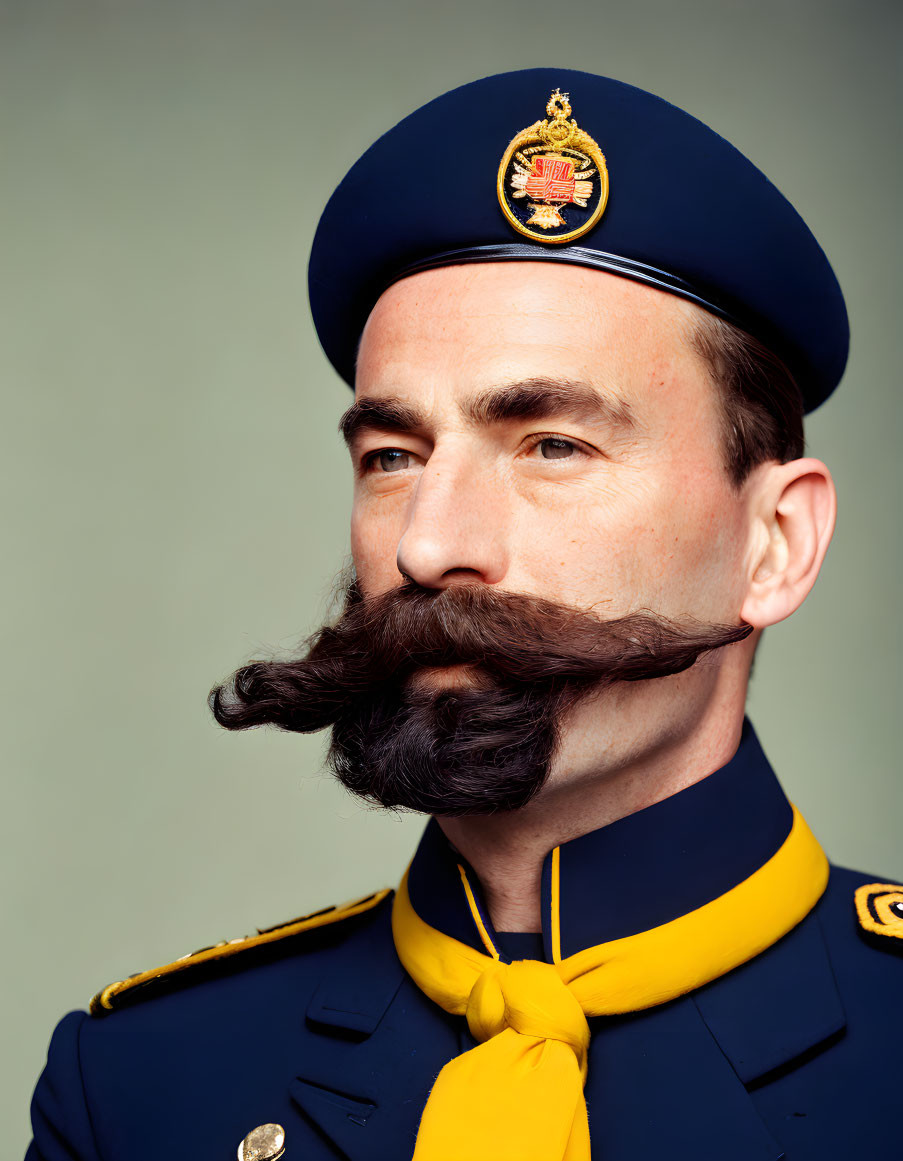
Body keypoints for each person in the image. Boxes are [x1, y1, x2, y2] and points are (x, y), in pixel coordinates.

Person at [26, 68, 901, 1161]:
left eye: (552, 446)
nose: (428, 546)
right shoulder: (138, 1089)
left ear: (774, 544)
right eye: (392, 457)